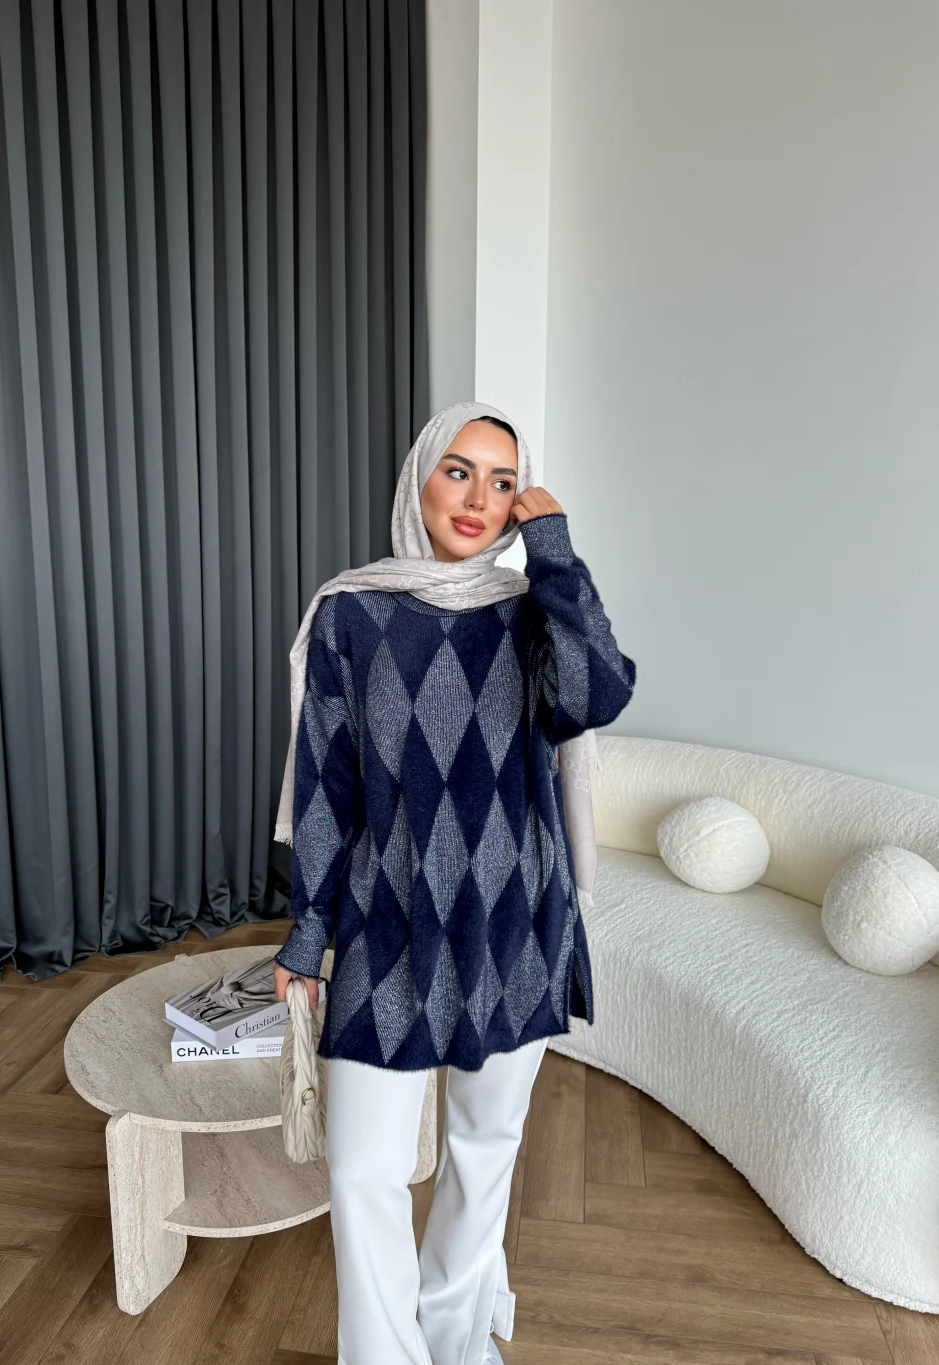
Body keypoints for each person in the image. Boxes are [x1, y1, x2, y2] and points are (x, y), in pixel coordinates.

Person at [272, 400, 637, 1365]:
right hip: (387, 924)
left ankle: (455, 1337)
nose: (479, 498)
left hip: (514, 919)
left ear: (522, 501)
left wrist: (554, 552)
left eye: (503, 481)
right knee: (362, 1170)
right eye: (459, 471)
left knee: (484, 1153)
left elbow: (599, 690)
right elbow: (326, 787)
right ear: (419, 478)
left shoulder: (532, 611)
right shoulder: (350, 613)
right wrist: (307, 932)